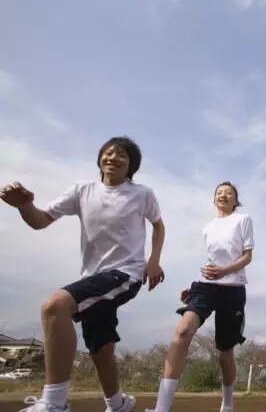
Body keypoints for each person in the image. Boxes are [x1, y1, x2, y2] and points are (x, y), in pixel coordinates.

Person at [1, 137, 166, 412]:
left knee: (55, 306)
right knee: (100, 349)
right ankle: (118, 404)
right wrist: (24, 206)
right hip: (93, 277)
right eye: (108, 152)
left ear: (131, 166)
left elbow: (158, 225)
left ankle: (54, 402)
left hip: (126, 273)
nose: (113, 157)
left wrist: (154, 261)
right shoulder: (82, 190)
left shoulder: (142, 194)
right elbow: (41, 221)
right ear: (100, 158)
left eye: (122, 155)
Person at [146, 181, 253, 412]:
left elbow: (247, 257)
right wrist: (193, 287)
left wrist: (224, 271)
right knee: (183, 331)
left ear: (236, 201)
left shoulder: (243, 220)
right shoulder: (208, 228)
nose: (223, 195)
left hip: (232, 289)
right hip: (206, 285)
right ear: (214, 199)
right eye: (219, 192)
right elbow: (211, 262)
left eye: (229, 193)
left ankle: (227, 403)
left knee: (225, 352)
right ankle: (162, 407)